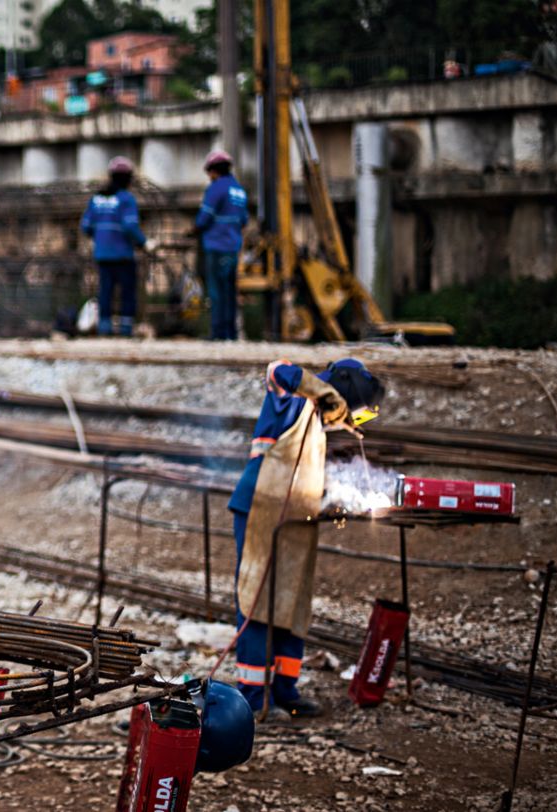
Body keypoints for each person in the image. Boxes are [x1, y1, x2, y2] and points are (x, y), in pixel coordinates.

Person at [228, 359, 385, 720]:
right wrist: (321, 391)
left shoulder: (318, 418)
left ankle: (285, 690)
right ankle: (251, 698)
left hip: (297, 514)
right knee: (258, 599)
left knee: (293, 601)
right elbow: (276, 369)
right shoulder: (294, 398)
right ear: (339, 386)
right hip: (261, 508)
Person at [80, 156, 157, 336]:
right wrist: (144, 243)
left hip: (102, 254)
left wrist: (100, 238)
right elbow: (130, 226)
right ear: (128, 178)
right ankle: (125, 329)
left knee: (105, 291)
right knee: (127, 292)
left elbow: (86, 226)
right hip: (122, 254)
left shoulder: (97, 199)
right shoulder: (126, 199)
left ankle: (104, 328)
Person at [191, 150, 249, 341]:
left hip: (216, 245)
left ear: (214, 171)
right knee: (229, 292)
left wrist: (193, 230)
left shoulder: (216, 189)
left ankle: (217, 333)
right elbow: (244, 220)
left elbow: (204, 219)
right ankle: (230, 333)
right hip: (233, 247)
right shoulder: (239, 190)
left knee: (216, 292)